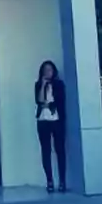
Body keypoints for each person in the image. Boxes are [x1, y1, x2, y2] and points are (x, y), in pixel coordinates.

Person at [34, 60, 66, 193]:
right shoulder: (38, 84)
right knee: (45, 150)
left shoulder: (59, 84)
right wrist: (43, 85)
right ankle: (50, 181)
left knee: (60, 150)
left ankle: (62, 181)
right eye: (45, 70)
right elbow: (39, 100)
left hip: (56, 119)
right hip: (43, 120)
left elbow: (60, 101)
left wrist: (49, 104)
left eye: (50, 70)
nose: (48, 72)